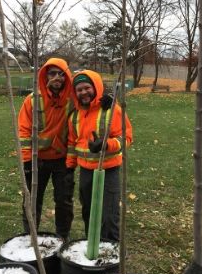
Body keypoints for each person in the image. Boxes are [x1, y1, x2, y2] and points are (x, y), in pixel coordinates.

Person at [65, 70, 133, 241]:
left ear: (95, 87)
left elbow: (126, 138)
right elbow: (73, 144)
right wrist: (69, 167)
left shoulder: (111, 110)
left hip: (108, 170)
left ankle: (110, 254)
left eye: (87, 88)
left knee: (109, 216)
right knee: (89, 212)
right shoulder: (75, 115)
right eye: (79, 90)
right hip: (86, 172)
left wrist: (105, 144)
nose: (83, 92)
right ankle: (92, 244)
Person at [18, 58, 75, 240]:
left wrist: (106, 99)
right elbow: (24, 131)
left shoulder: (72, 101)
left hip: (62, 160)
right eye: (52, 73)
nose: (57, 77)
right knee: (32, 200)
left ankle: (62, 238)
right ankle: (30, 237)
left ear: (67, 77)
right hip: (37, 160)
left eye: (61, 74)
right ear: (45, 75)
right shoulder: (32, 100)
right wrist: (27, 160)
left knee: (64, 201)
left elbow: (92, 102)